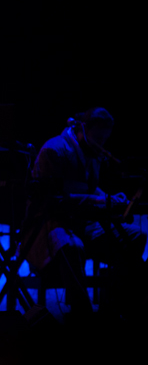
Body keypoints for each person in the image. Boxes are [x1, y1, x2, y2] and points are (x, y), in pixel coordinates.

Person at [22, 107, 146, 314]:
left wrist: (109, 198)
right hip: (49, 224)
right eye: (98, 138)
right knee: (72, 246)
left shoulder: (92, 153)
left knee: (136, 237)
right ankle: (82, 316)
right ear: (82, 128)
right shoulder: (54, 150)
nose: (101, 144)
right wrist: (101, 201)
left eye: (105, 139)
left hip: (82, 224)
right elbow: (55, 201)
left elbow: (87, 187)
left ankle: (113, 307)